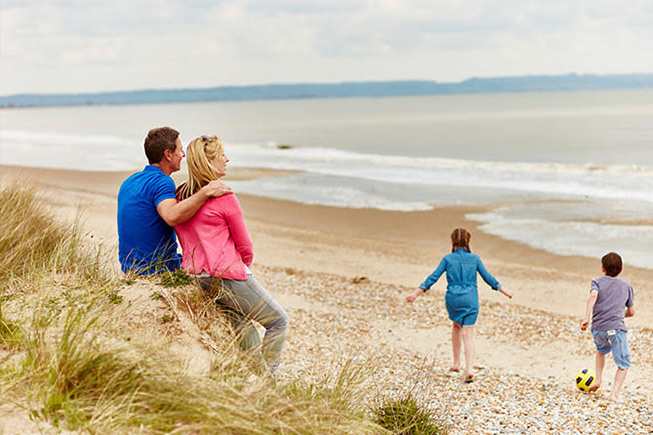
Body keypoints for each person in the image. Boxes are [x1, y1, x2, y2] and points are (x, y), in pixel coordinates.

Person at [174, 134, 289, 373]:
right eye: (222, 155)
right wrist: (242, 267)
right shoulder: (224, 196)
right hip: (228, 274)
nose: (227, 159)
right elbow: (245, 246)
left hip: (197, 277)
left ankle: (256, 379)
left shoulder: (181, 195)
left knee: (244, 325)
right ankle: (269, 381)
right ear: (209, 161)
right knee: (278, 321)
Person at [117, 127, 231, 275]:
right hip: (156, 269)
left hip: (129, 268)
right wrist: (205, 192)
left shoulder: (130, 181)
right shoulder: (163, 181)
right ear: (168, 154)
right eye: (181, 150)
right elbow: (171, 216)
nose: (183, 155)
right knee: (217, 267)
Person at [405, 228, 513, 383]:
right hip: (470, 299)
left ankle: (456, 364)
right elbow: (488, 278)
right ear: (467, 241)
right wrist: (505, 291)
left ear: (452, 241)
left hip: (453, 298)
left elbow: (433, 277)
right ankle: (469, 369)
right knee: (468, 333)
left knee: (456, 326)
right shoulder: (475, 258)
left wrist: (416, 293)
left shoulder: (447, 259)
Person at [580, 252, 635, 402]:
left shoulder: (596, 282)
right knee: (623, 364)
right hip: (616, 329)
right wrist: (618, 314)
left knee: (601, 351)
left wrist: (587, 317)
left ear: (602, 268)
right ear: (621, 268)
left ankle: (598, 380)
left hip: (598, 328)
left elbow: (593, 296)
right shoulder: (626, 286)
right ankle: (614, 394)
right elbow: (631, 312)